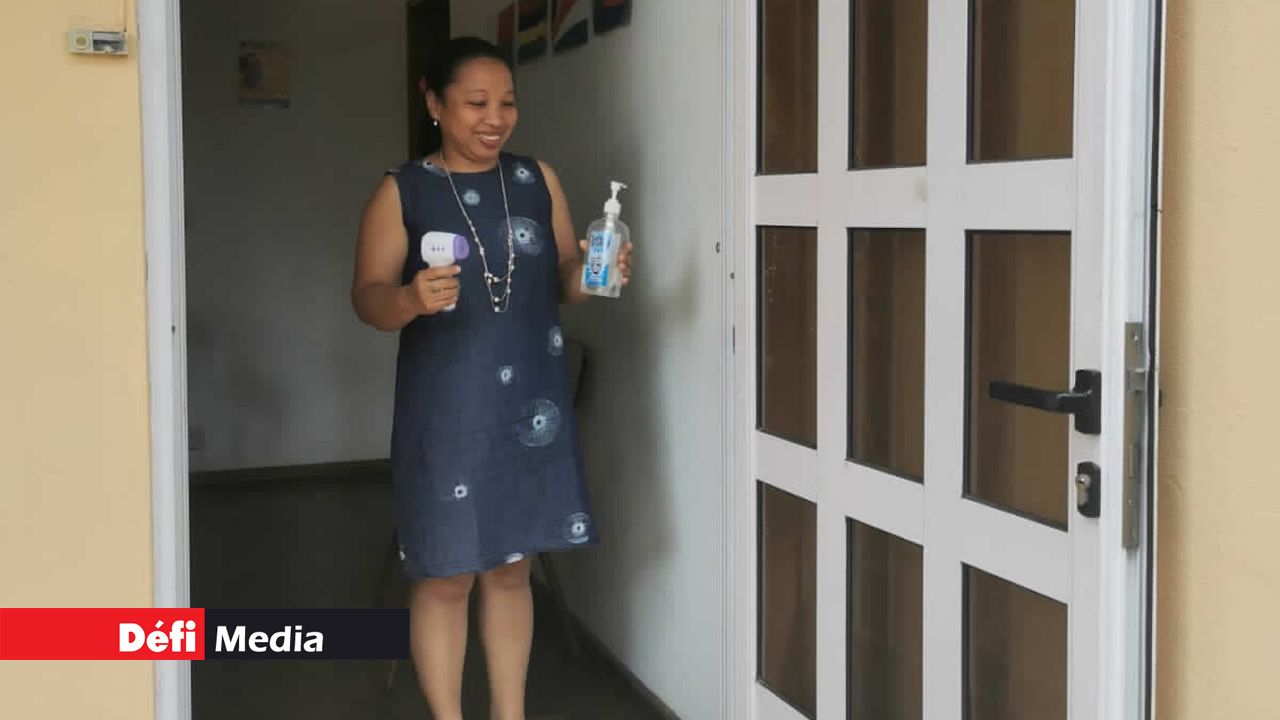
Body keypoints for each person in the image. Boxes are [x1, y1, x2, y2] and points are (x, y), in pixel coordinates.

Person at [351, 36, 633, 720]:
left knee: (510, 571)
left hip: (528, 406)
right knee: (445, 574)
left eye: (507, 102)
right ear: (434, 103)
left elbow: (566, 279)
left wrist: (599, 275)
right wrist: (411, 299)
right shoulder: (404, 190)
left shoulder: (538, 179)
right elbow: (367, 297)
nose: (495, 118)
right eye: (476, 102)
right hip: (445, 409)